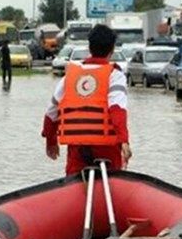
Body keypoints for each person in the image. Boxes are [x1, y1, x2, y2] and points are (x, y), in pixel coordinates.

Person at [42, 24, 132, 175]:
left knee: (74, 183)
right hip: (107, 148)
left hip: (78, 149)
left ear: (89, 48)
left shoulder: (70, 76)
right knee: (113, 184)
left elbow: (51, 112)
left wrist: (51, 141)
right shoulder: (115, 75)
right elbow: (117, 109)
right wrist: (124, 140)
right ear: (112, 50)